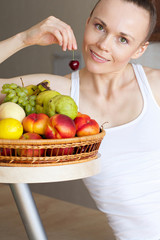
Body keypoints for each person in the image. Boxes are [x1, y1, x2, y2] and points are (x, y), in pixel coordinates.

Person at [0, 0, 160, 239]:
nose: (103, 44)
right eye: (100, 27)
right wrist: (24, 38)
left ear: (140, 49)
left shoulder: (155, 86)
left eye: (123, 39)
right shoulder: (57, 94)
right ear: (87, 24)